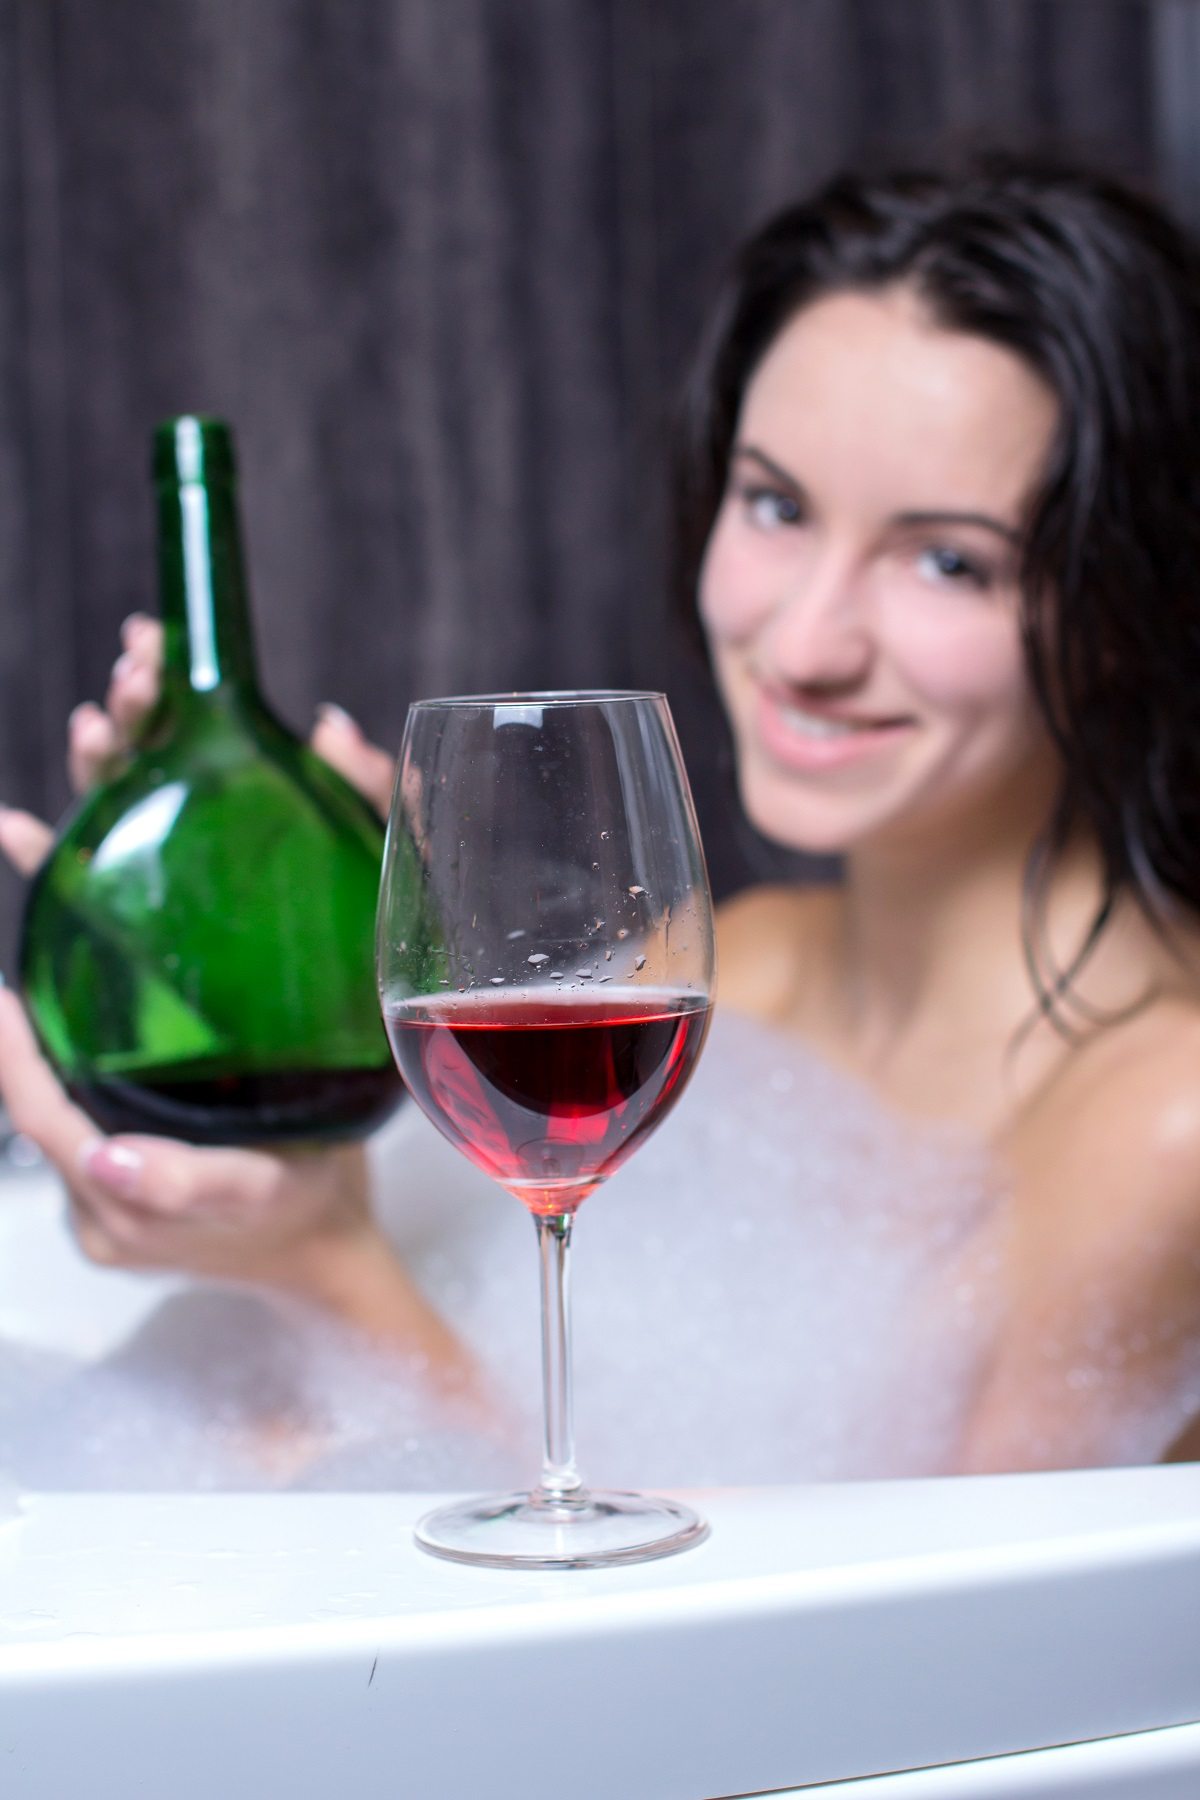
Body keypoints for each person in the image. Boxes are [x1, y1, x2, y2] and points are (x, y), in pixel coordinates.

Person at [2, 155, 1200, 1477]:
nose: (806, 644)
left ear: (1121, 608)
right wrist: (269, 977)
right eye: (777, 505)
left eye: (948, 560)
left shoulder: (1169, 1121)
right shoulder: (745, 963)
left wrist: (325, 1264)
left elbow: (854, 1615)